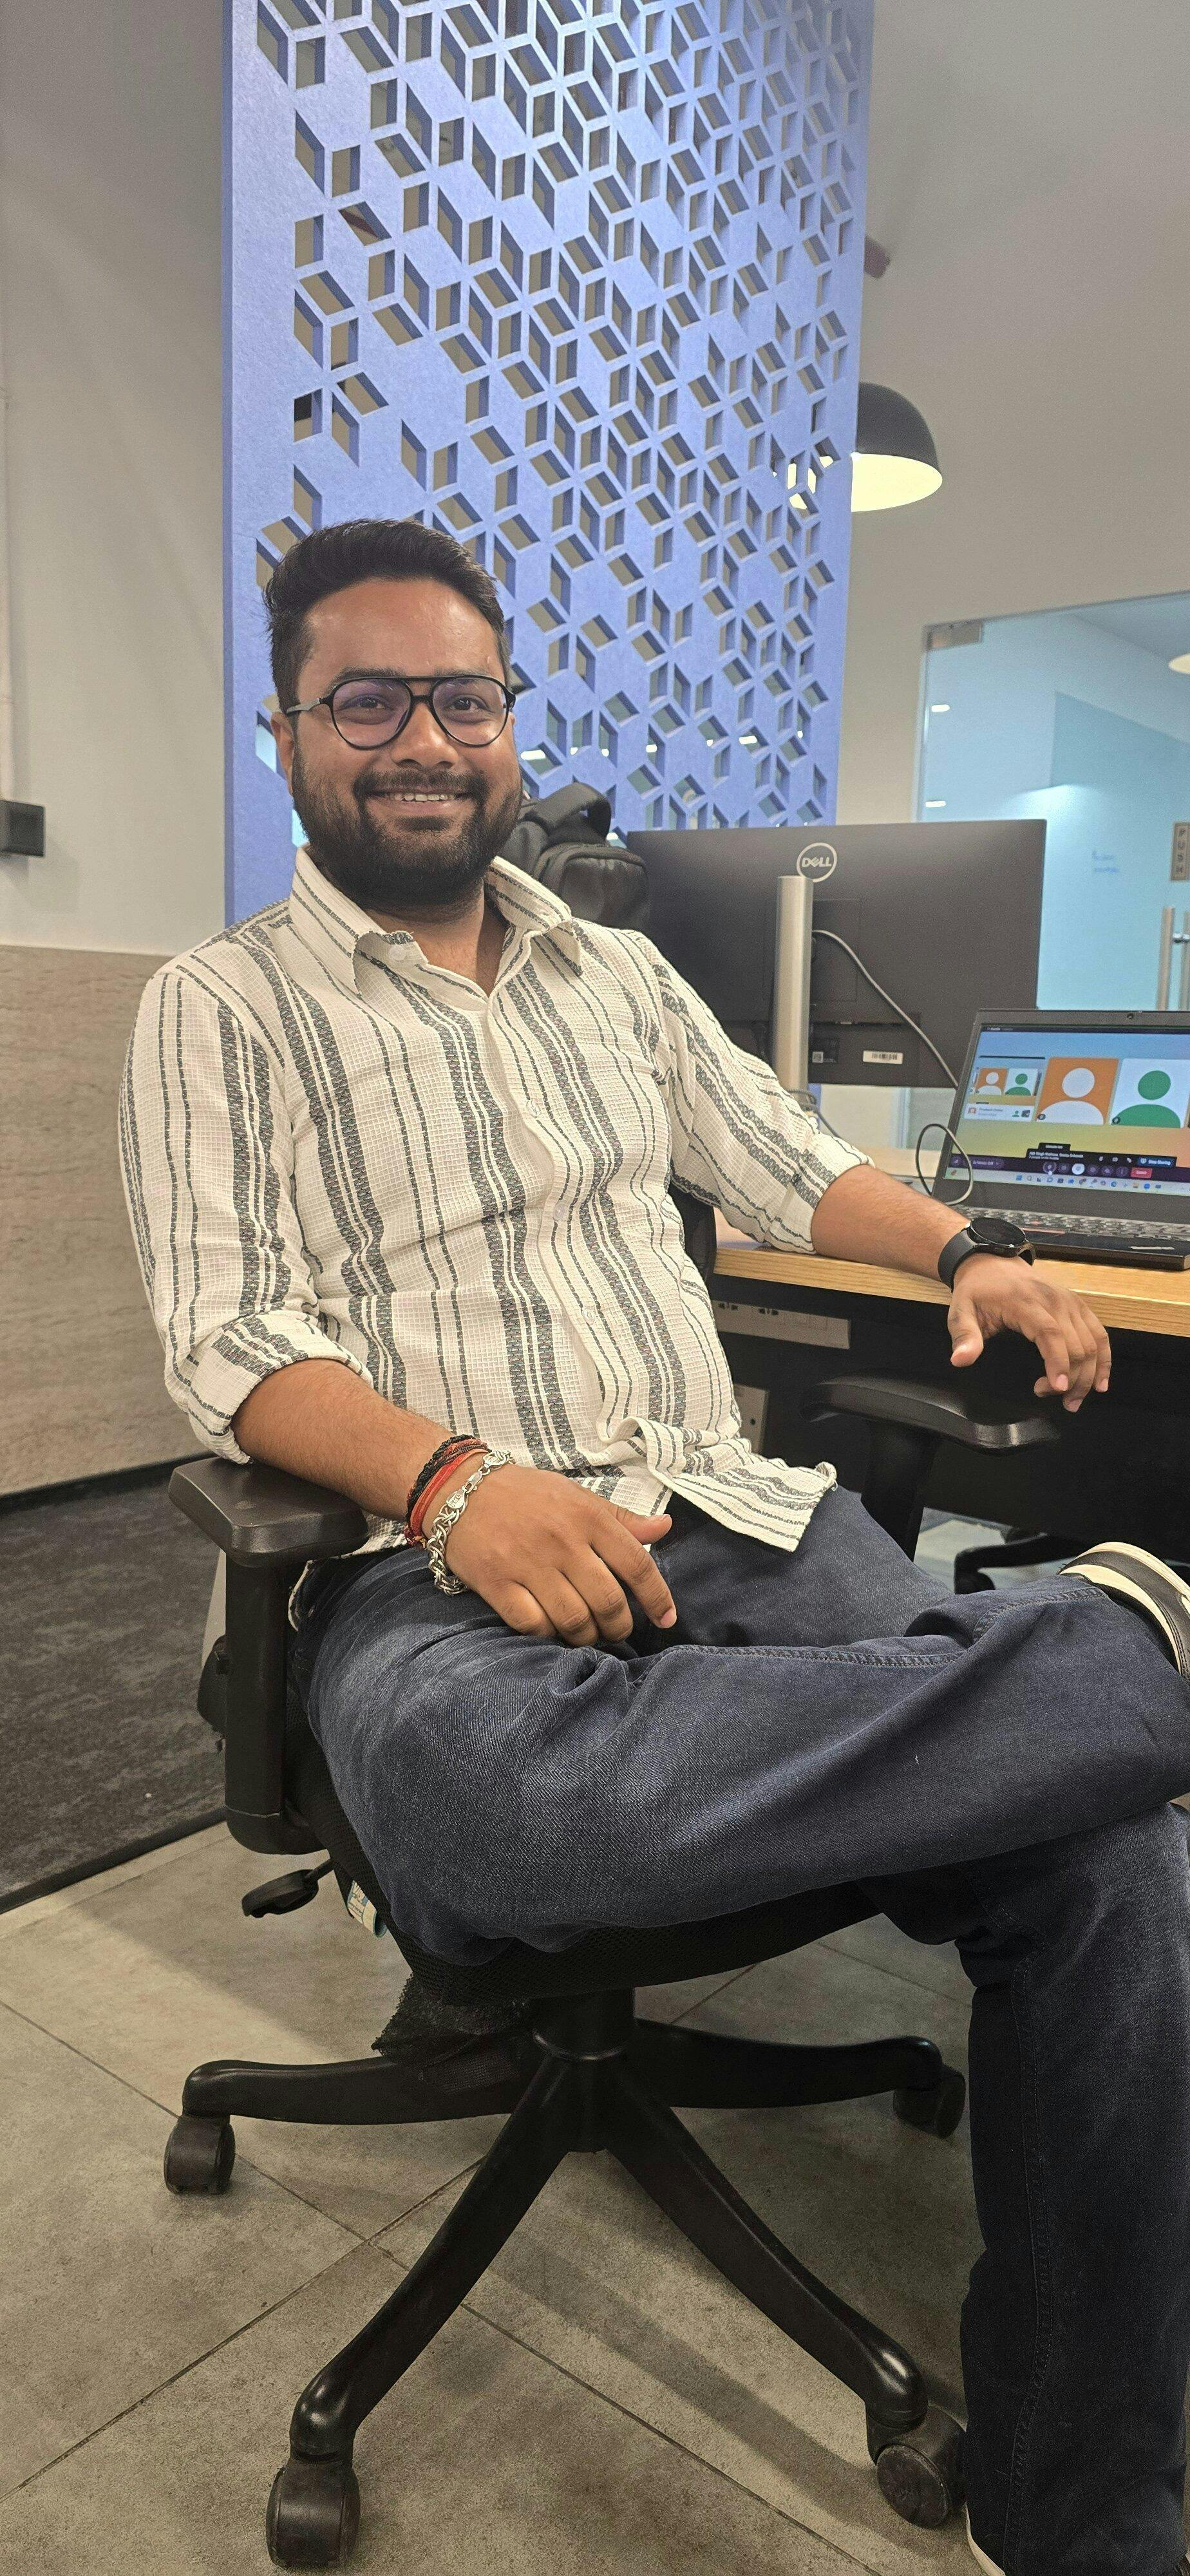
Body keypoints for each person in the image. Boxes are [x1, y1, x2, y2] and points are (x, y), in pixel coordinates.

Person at [120, 517, 1190, 2576]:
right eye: (368, 699)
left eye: (462, 697)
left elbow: (788, 1164)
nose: (423, 739)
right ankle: (1112, 1657)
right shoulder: (220, 1006)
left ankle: (1081, 2515)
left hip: (734, 1518)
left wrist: (970, 1247)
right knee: (513, 1815)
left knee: (1107, 1851)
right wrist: (455, 1484)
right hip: (423, 1570)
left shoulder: (615, 975)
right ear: (289, 730)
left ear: (510, 723)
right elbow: (227, 1338)